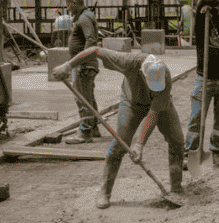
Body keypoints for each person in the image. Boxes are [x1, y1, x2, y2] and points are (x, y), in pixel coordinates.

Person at [52, 48, 184, 209]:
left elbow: (153, 113)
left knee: (177, 140)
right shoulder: (129, 61)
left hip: (160, 105)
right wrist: (67, 66)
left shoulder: (165, 77)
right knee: (119, 144)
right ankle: (105, 191)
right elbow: (95, 50)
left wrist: (140, 144)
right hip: (131, 103)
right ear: (142, 74)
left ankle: (176, 188)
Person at [185, 0, 219, 168]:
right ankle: (190, 152)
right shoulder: (202, 20)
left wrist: (215, 12)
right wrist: (208, 5)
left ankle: (217, 152)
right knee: (196, 116)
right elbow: (200, 4)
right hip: (205, 78)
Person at [62, 0, 102, 144]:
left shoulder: (84, 18)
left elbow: (91, 39)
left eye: (68, 5)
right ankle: (94, 127)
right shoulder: (84, 16)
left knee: (82, 98)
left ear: (73, 3)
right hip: (85, 65)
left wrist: (81, 62)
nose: (67, 8)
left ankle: (85, 132)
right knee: (88, 97)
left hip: (84, 66)